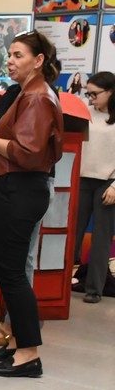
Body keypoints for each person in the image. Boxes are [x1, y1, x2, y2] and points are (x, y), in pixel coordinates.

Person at [0, 30, 63, 378]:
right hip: (12, 188)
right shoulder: (27, 93)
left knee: (11, 271)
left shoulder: (37, 98)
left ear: (38, 60)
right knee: (6, 267)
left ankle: (28, 353)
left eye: (18, 55)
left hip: (19, 190)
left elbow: (28, 152)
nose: (10, 60)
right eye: (9, 54)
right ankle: (17, 343)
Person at [73, 72, 115, 304]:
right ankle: (61, 281)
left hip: (108, 183)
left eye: (95, 94)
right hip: (81, 179)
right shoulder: (84, 113)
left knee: (101, 237)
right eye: (87, 93)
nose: (90, 98)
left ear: (110, 92)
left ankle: (94, 289)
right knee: (72, 234)